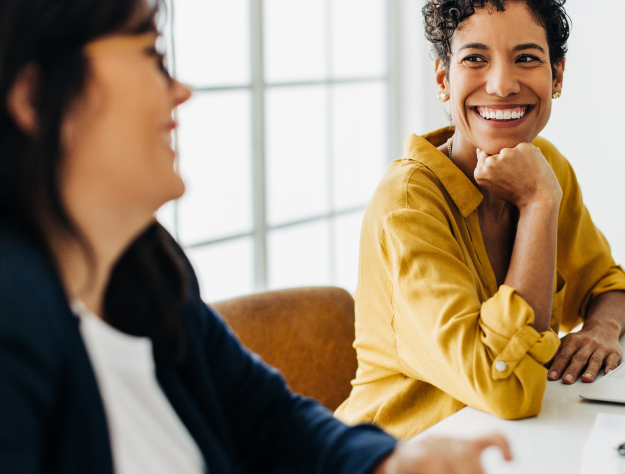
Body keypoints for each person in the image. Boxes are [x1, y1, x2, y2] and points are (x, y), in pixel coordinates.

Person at [0, 0, 511, 472]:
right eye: (150, 53)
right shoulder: (14, 320)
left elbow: (269, 422)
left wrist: (387, 464)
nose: (180, 90)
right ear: (37, 95)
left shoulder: (149, 268)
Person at [335, 0, 625, 439]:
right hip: (399, 456)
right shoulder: (407, 205)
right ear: (444, 79)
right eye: (475, 58)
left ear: (556, 76)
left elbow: (608, 285)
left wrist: (601, 328)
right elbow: (507, 387)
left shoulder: (544, 166)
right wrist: (537, 205)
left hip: (514, 449)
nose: (501, 85)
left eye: (527, 58)